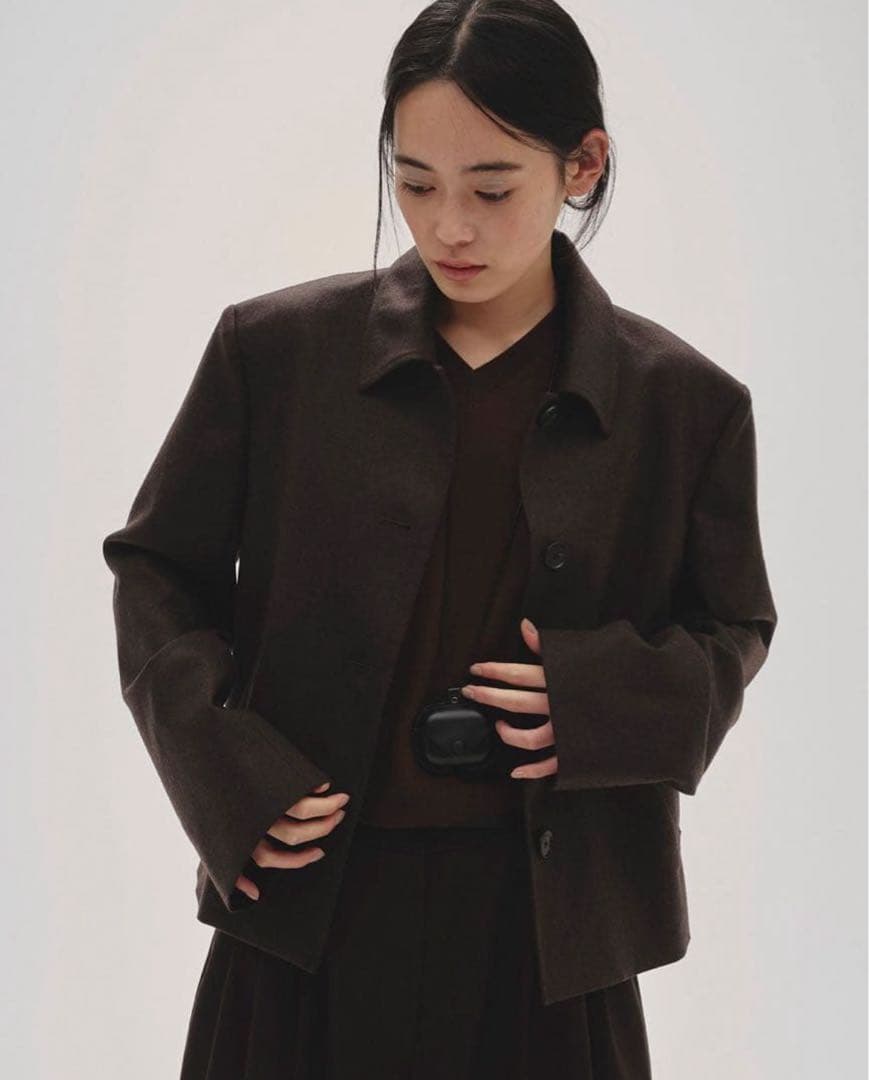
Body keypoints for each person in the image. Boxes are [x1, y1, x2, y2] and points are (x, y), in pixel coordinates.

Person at [102, 1, 777, 1077]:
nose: (448, 226)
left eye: (491, 188)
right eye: (414, 183)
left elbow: (733, 625)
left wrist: (598, 699)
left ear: (582, 165)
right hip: (309, 904)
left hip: (551, 929)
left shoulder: (683, 404)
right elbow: (155, 571)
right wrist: (227, 778)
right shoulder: (273, 354)